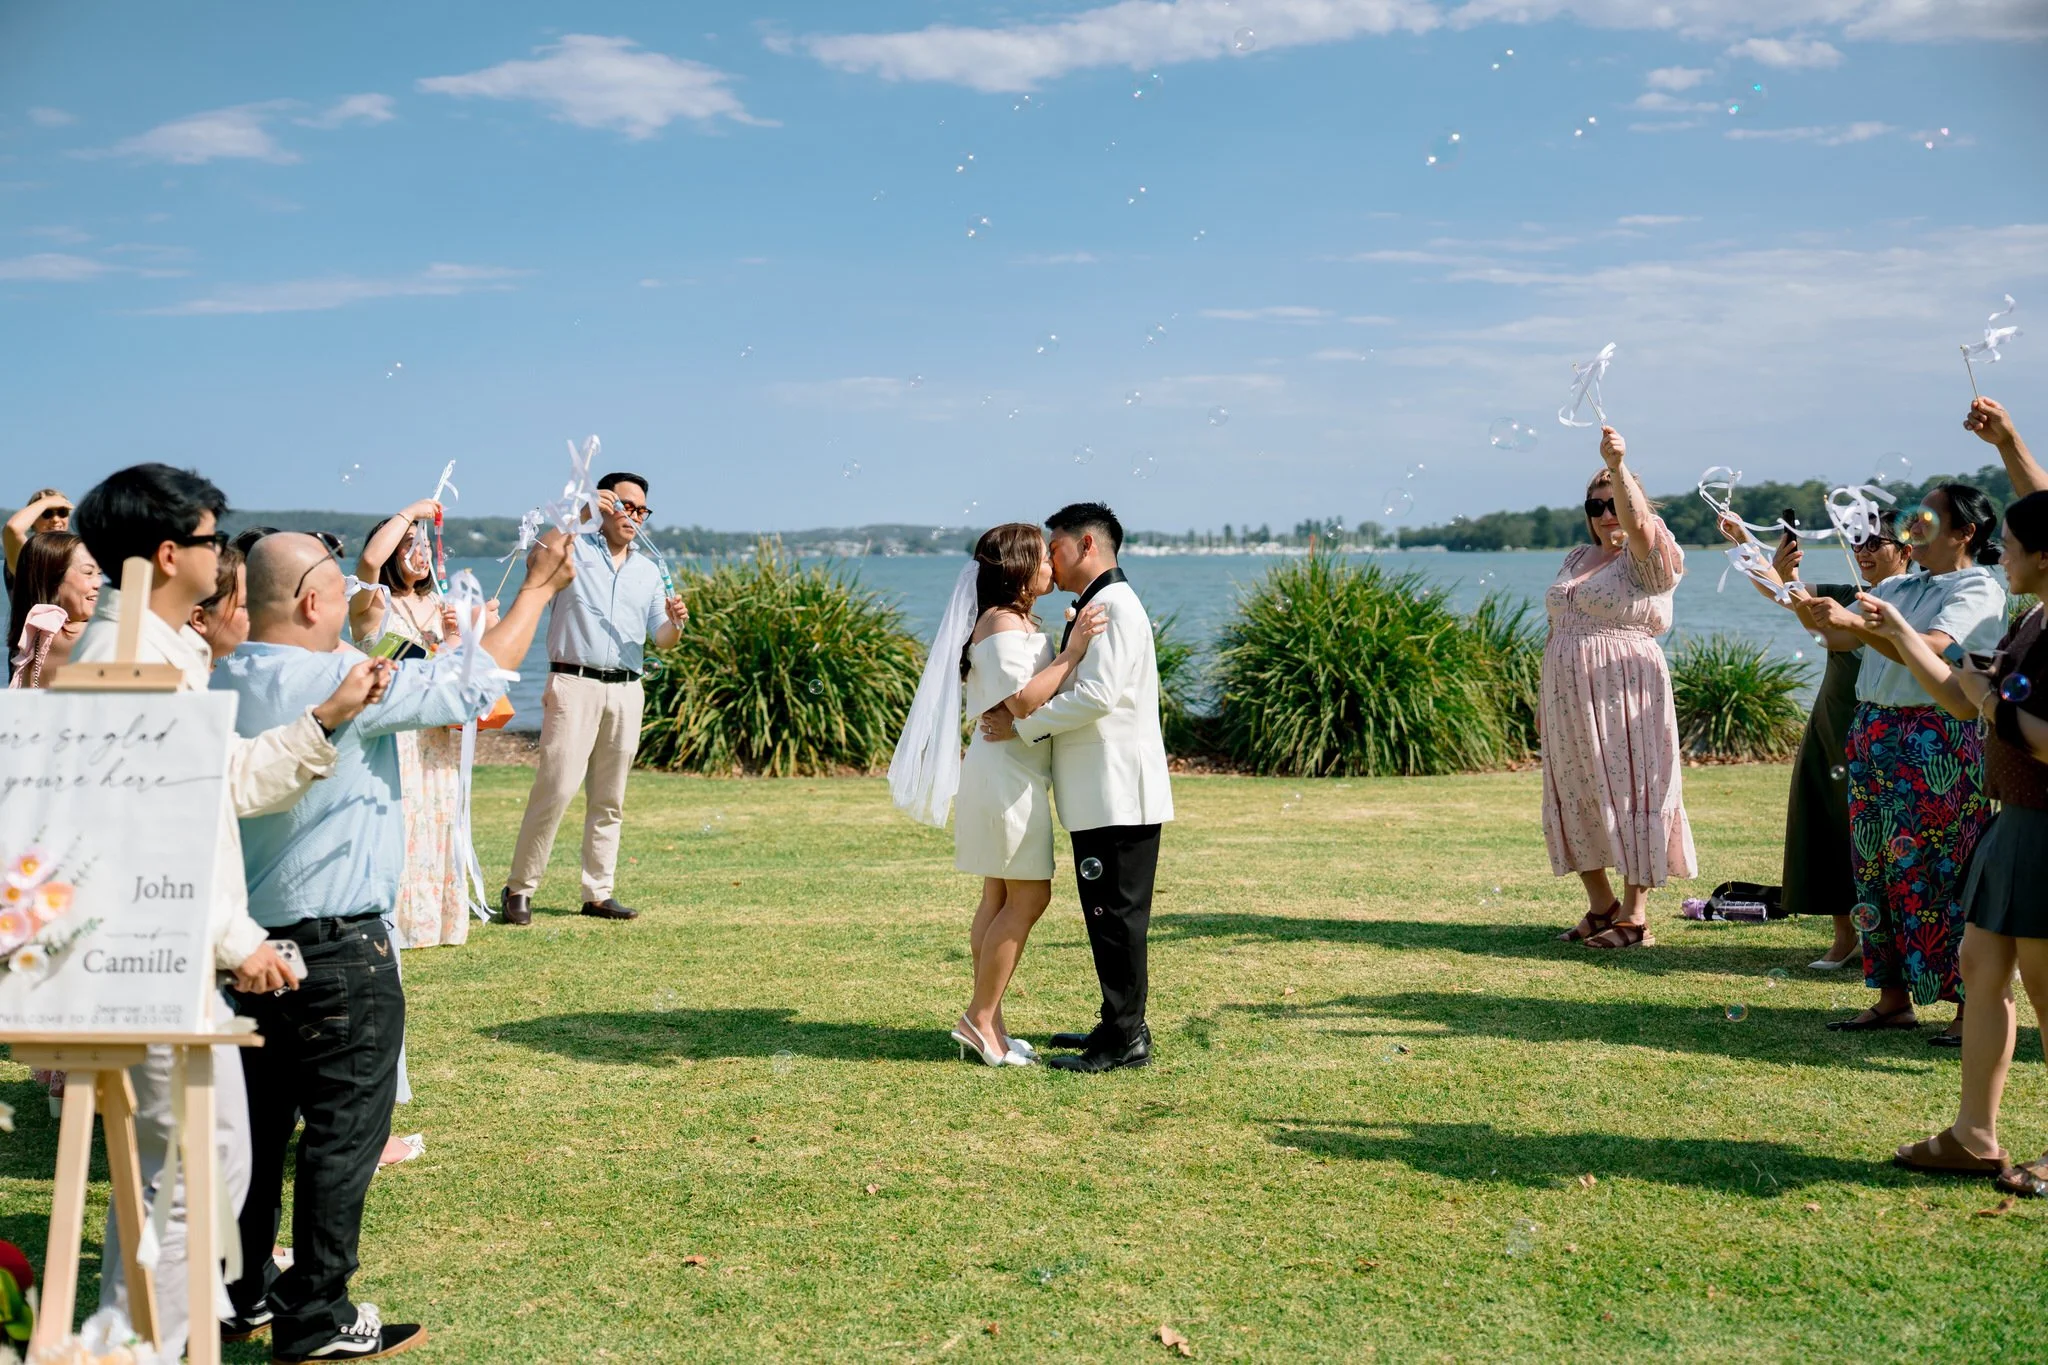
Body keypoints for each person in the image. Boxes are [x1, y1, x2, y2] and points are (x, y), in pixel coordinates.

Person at [215, 530, 574, 1362]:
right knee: (345, 1130)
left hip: (244, 946)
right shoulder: (343, 683)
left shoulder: (220, 674)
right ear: (312, 603)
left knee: (257, 1129)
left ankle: (237, 1292)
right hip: (340, 949)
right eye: (342, 590)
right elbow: (472, 686)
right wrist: (538, 590)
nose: (353, 599)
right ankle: (319, 1314)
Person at [67, 464, 389, 1361]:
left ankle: (142, 1342)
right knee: (186, 1188)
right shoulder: (130, 664)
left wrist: (324, 718)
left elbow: (218, 784)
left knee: (200, 1177)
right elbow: (144, 837)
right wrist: (236, 941)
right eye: (215, 541)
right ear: (172, 554)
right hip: (154, 962)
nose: (227, 558)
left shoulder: (159, 650)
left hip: (172, 962)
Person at [1875, 490, 2048, 1186]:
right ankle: (1974, 1134)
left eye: (2008, 544)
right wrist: (1896, 632)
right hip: (2016, 823)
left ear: (2044, 554)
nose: (2000, 554)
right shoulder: (2032, 619)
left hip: (2045, 828)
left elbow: (2030, 731)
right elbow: (1959, 694)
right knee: (1981, 968)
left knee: (2044, 985)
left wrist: (1996, 709)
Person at [886, 524, 1108, 1067]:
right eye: (1043, 559)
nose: (1053, 567)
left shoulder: (1014, 619)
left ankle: (993, 1025)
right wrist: (1074, 650)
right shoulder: (1003, 622)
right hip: (1008, 777)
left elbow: (1014, 699)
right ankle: (979, 1017)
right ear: (1018, 567)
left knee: (999, 899)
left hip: (1007, 769)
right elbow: (1026, 703)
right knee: (1029, 899)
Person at [1799, 483, 2007, 1042]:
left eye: (1930, 519)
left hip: (1937, 738)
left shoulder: (1978, 589)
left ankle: (1969, 1007)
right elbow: (1840, 641)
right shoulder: (1901, 584)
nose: (1914, 527)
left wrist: (1871, 626)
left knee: (1944, 871)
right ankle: (1892, 1000)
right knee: (1876, 868)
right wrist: (1801, 598)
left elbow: (1930, 651)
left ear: (1965, 533)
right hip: (1874, 732)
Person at [979, 502, 1173, 1074]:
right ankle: (1117, 1025)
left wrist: (1023, 725)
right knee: (1107, 913)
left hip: (1119, 790)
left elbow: (1098, 696)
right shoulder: (1098, 605)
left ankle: (1125, 1040)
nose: (1050, 560)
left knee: (1117, 915)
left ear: (1088, 545)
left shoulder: (1112, 605)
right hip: (1102, 789)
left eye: (1056, 548)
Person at [1718, 512, 1914, 967]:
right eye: (1858, 542)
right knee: (1827, 824)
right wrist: (1747, 540)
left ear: (1906, 550)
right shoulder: (1847, 593)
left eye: (1875, 543)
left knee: (1893, 837)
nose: (1863, 551)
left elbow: (1828, 627)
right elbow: (1784, 596)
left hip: (1892, 727)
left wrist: (1795, 587)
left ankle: (1898, 939)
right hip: (1834, 721)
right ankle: (1845, 938)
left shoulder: (1915, 600)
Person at [499, 472, 687, 925]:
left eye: (642, 510)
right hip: (573, 683)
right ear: (606, 505)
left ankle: (598, 892)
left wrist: (677, 625)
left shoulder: (647, 569)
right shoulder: (572, 550)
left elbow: (659, 639)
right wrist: (579, 513)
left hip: (627, 689)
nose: (634, 516)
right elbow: (535, 560)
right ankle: (519, 888)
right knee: (556, 788)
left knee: (610, 798)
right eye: (625, 506)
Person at [1543, 427, 1696, 948]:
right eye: (1596, 503)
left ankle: (1635, 917)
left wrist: (1617, 462)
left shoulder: (1649, 555)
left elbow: (1638, 528)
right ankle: (1601, 906)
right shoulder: (1576, 558)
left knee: (1634, 789)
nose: (1606, 513)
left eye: (1615, 502)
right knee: (1575, 790)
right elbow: (1557, 621)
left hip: (1626, 691)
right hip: (1568, 695)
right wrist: (1546, 701)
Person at [353, 498, 476, 949]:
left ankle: (433, 923)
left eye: (424, 544)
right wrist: (411, 512)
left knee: (438, 816)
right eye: (409, 545)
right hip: (393, 731)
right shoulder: (371, 603)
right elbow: (367, 562)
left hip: (434, 733)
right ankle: (392, 922)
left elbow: (455, 675)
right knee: (401, 820)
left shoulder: (441, 604)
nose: (420, 554)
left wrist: (456, 639)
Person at [6, 530, 98, 688]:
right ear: (53, 581)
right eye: (88, 573)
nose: (98, 583)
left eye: (100, 573)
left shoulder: (37, 635)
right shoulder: (72, 635)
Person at [2, 487, 71, 592]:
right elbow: (13, 529)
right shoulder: (28, 554)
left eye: (62, 512)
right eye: (46, 513)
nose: (56, 519)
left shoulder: (76, 553)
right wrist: (46, 502)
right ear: (33, 520)